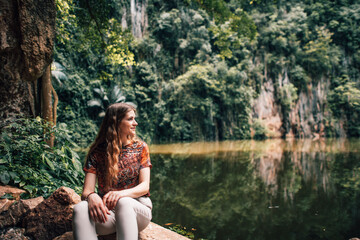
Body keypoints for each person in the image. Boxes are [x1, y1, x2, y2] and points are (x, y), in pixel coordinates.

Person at [73, 103, 152, 240]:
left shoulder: (141, 148)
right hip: (108, 214)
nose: (135, 123)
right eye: (130, 119)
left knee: (124, 202)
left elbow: (144, 187)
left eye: (134, 118)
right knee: (80, 209)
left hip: (137, 210)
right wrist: (92, 196)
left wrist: (120, 195)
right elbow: (87, 191)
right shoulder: (97, 152)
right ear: (116, 122)